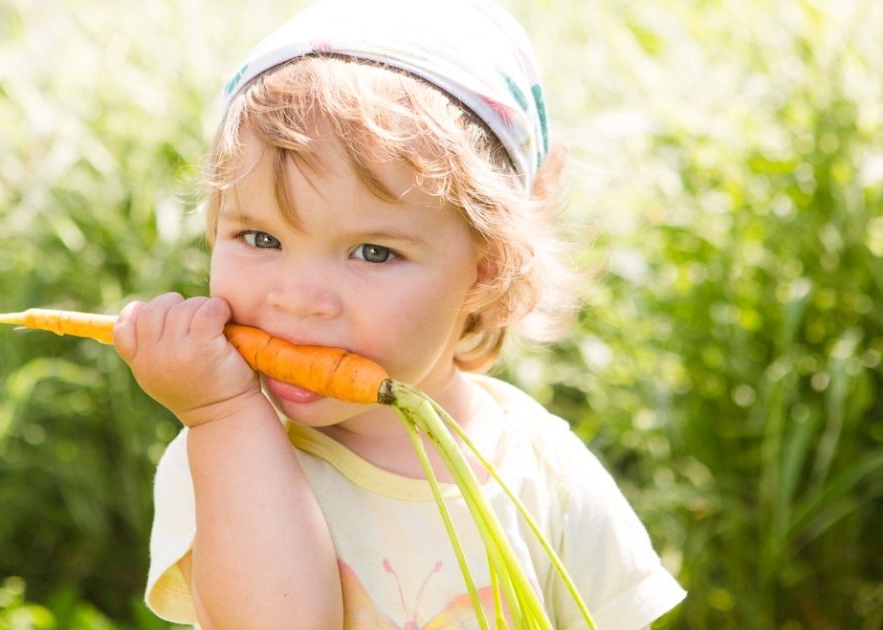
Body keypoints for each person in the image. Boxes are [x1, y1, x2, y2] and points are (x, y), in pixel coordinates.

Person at [112, 0, 687, 627]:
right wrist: (221, 414)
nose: (297, 298)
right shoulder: (227, 453)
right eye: (261, 239)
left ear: (485, 267)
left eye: (373, 252)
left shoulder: (545, 468)